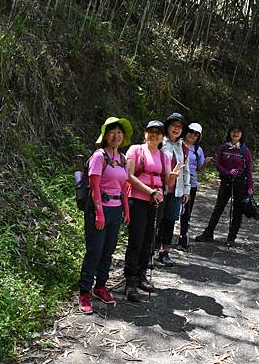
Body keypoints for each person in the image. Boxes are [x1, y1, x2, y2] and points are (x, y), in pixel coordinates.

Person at [123, 120, 184, 302]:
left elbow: (168, 183)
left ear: (162, 137)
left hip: (156, 202)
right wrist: (150, 191)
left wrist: (172, 178)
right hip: (138, 200)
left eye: (158, 132)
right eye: (151, 131)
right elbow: (129, 175)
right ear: (145, 133)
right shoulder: (135, 150)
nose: (154, 135)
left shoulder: (164, 157)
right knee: (136, 240)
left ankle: (141, 275)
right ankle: (130, 281)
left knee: (149, 240)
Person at [78, 117, 133, 314]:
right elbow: (94, 188)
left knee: (107, 252)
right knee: (94, 252)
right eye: (112, 132)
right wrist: (99, 214)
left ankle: (100, 287)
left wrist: (126, 210)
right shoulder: (99, 156)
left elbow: (124, 187)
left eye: (119, 132)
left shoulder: (124, 158)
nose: (116, 136)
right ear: (105, 135)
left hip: (116, 210)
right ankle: (84, 292)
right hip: (98, 209)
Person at [194, 124, 253, 247]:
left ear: (242, 135)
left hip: (239, 184)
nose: (235, 134)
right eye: (233, 131)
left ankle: (231, 237)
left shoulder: (244, 151)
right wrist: (228, 172)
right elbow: (218, 165)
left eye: (238, 132)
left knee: (237, 211)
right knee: (218, 208)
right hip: (225, 182)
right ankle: (208, 233)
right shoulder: (223, 148)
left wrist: (249, 187)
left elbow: (249, 171)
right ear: (229, 133)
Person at [157, 112, 190, 266]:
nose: (176, 129)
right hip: (159, 189)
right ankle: (150, 252)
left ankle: (164, 252)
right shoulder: (159, 142)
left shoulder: (183, 147)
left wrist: (186, 190)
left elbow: (186, 169)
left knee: (170, 221)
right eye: (174, 126)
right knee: (156, 221)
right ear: (167, 127)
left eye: (179, 127)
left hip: (176, 190)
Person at [177, 122, 213, 250]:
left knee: (187, 211)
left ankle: (183, 235)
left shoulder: (198, 150)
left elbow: (199, 168)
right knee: (171, 209)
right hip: (175, 182)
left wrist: (206, 163)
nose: (193, 135)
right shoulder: (177, 144)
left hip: (191, 183)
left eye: (196, 134)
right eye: (191, 132)